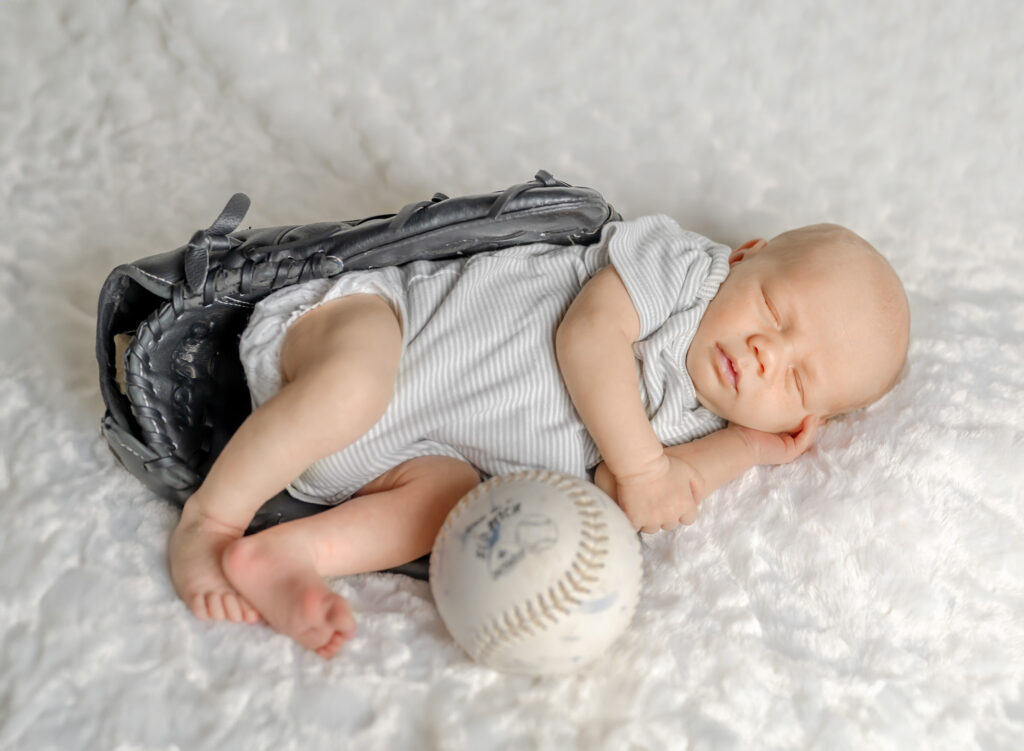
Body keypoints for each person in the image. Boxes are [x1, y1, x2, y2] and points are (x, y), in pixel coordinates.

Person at [167, 215, 910, 658]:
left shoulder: (708, 423)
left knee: (449, 506)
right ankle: (212, 521)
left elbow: (644, 492)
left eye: (798, 380)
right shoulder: (686, 272)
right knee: (353, 385)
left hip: (399, 457)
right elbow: (590, 336)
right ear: (745, 254)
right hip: (368, 325)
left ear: (803, 419)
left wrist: (746, 447)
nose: (767, 353)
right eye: (774, 311)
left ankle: (287, 555)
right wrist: (645, 469)